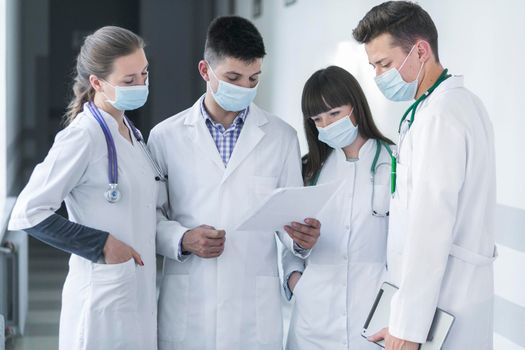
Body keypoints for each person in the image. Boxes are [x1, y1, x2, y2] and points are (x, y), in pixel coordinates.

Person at [148, 16, 321, 350]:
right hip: (189, 306)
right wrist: (182, 239)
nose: (244, 88)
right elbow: (149, 217)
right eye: (232, 78)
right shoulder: (166, 137)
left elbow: (288, 222)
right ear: (205, 70)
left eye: (253, 79)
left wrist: (301, 239)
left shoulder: (280, 137)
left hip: (252, 314)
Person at [352, 2, 497, 349]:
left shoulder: (440, 116)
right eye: (373, 66)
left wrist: (407, 329)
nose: (378, 77)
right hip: (444, 303)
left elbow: (429, 229)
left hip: (443, 308)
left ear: (420, 49)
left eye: (385, 64)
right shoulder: (454, 105)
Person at [8, 26, 160, 350]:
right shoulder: (83, 136)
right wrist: (102, 244)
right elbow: (28, 212)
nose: (141, 85)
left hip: (136, 293)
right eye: (129, 80)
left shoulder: (131, 133)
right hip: (102, 297)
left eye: (144, 74)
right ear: (97, 82)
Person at [282, 66, 393, 349]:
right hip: (314, 323)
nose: (327, 125)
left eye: (335, 114)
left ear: (355, 107)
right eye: (318, 119)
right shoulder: (308, 170)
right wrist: (296, 281)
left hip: (374, 317)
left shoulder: (395, 162)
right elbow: (286, 240)